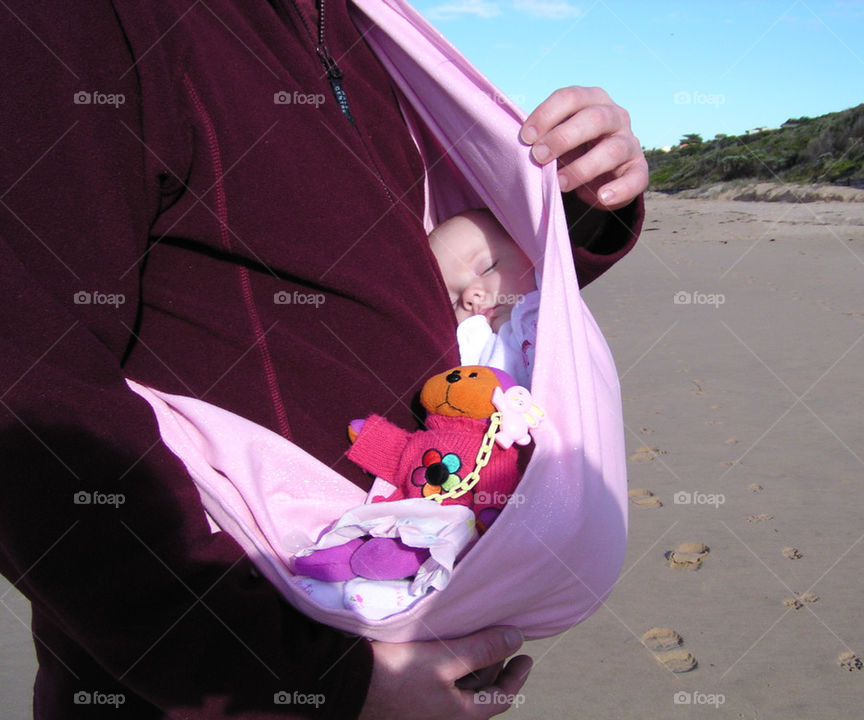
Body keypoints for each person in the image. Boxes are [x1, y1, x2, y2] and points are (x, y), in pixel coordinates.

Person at [0, 1, 648, 718]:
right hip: (237, 681)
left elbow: (423, 281)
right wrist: (309, 679)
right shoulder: (85, 20)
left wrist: (579, 200)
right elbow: (30, 381)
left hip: (405, 634)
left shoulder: (362, 26)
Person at [429, 209, 539, 387]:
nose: (470, 295)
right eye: (453, 302)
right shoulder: (470, 356)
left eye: (487, 268)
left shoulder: (549, 303)